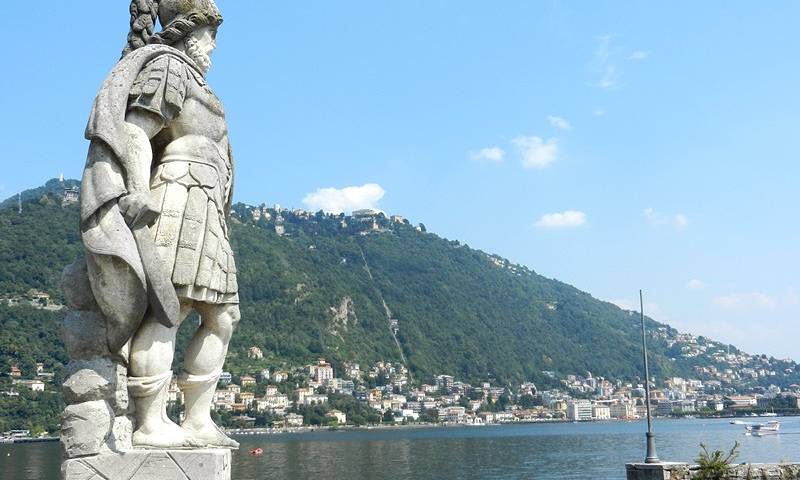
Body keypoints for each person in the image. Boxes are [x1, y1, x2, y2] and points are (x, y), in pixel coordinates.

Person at [80, 0, 239, 449]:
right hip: (179, 190)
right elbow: (135, 129)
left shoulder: (196, 80)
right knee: (172, 306)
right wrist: (138, 189)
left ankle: (198, 419)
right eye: (211, 35)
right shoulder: (169, 66)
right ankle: (150, 422)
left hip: (206, 199)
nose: (214, 46)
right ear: (190, 32)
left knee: (224, 316)